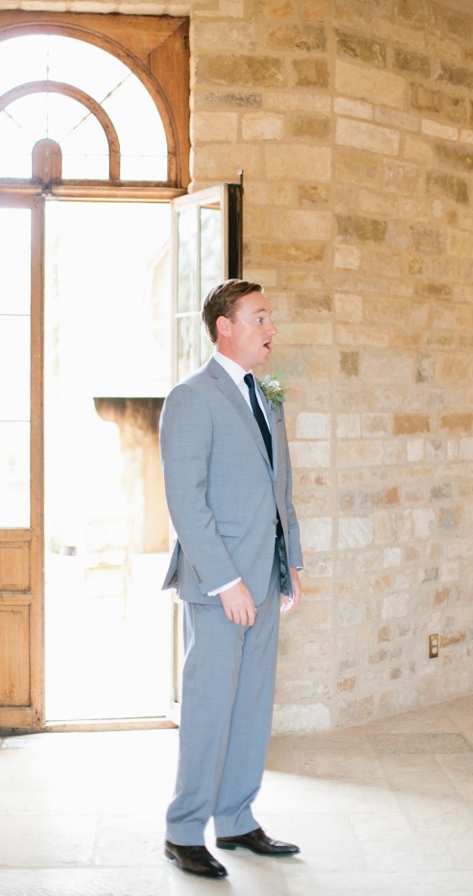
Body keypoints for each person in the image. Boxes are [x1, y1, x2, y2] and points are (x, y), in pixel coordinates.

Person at [159, 279, 303, 879]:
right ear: (225, 326)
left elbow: (280, 488)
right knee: (209, 706)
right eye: (259, 317)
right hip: (220, 586)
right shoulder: (191, 397)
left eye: (270, 318)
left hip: (266, 577)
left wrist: (291, 564)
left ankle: (237, 819)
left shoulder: (265, 396)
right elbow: (185, 500)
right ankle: (183, 831)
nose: (271, 328)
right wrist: (225, 581)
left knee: (251, 705)